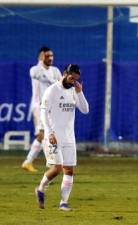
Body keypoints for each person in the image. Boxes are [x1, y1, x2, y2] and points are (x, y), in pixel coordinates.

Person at [35, 64, 89, 211]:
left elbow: (85, 110)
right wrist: (49, 132)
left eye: (76, 79)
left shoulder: (74, 91)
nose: (73, 81)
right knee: (57, 168)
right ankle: (40, 188)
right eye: (72, 77)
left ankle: (63, 203)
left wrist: (79, 93)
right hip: (54, 137)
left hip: (69, 137)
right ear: (65, 73)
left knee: (69, 170)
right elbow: (43, 114)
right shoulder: (52, 90)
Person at [21, 46, 62, 172]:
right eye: (47, 56)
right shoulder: (35, 70)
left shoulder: (55, 70)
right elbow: (37, 75)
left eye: (51, 56)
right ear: (41, 56)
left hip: (51, 108)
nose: (50, 58)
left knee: (43, 135)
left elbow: (61, 85)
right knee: (43, 133)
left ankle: (28, 162)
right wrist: (54, 82)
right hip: (39, 106)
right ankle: (51, 162)